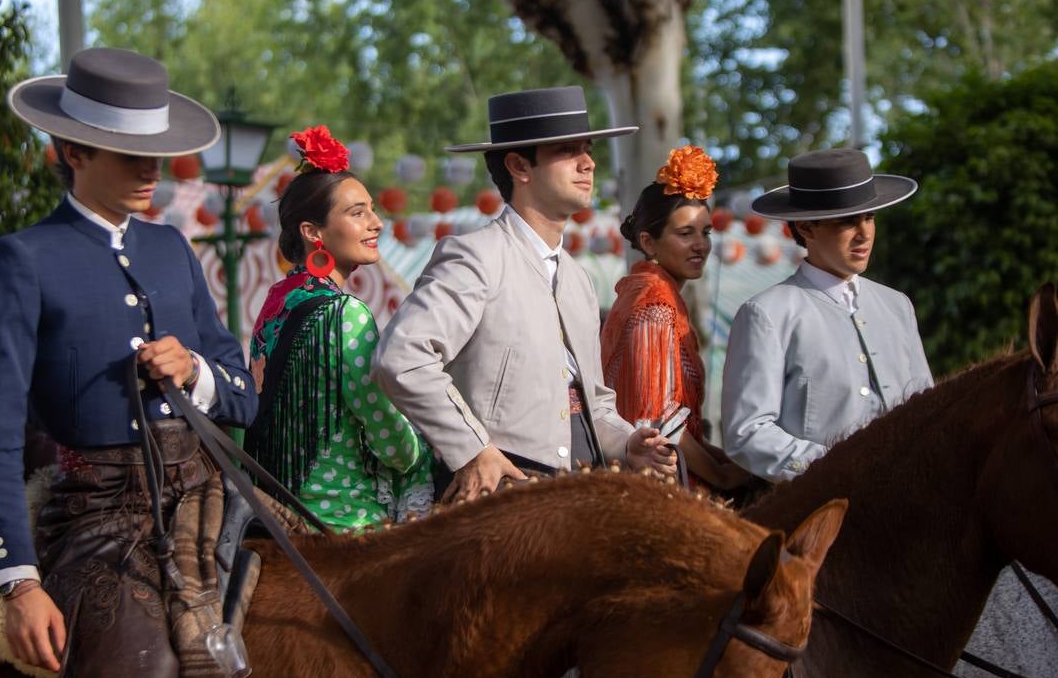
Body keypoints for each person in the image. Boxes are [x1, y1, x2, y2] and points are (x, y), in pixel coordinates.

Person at [0, 47, 255, 678]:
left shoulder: (173, 248)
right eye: (131, 156)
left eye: (156, 153)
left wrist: (194, 370)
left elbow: (243, 393)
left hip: (207, 497)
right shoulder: (24, 259)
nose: (151, 170)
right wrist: (19, 584)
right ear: (73, 152)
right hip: (98, 519)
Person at [374, 86, 677, 503]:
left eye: (588, 150)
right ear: (519, 165)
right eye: (567, 150)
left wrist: (627, 444)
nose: (588, 163)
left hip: (582, 486)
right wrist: (472, 449)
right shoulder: (476, 255)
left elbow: (595, 402)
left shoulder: (578, 278)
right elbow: (401, 357)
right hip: (501, 493)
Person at [245, 125, 432, 529]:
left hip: (277, 516)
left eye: (372, 210)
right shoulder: (345, 313)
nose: (376, 223)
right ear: (312, 233)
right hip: (344, 523)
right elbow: (392, 442)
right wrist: (425, 445)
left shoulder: (277, 301)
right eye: (357, 213)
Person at [721, 147, 933, 481]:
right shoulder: (766, 314)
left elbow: (929, 411)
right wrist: (839, 466)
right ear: (806, 228)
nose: (864, 233)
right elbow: (747, 433)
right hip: (818, 504)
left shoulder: (897, 306)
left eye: (869, 217)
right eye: (847, 221)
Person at [601, 146, 751, 495]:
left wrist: (724, 462)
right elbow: (658, 421)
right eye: (685, 234)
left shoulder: (647, 293)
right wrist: (721, 476)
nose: (701, 245)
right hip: (660, 491)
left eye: (706, 232)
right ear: (648, 242)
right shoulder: (654, 304)